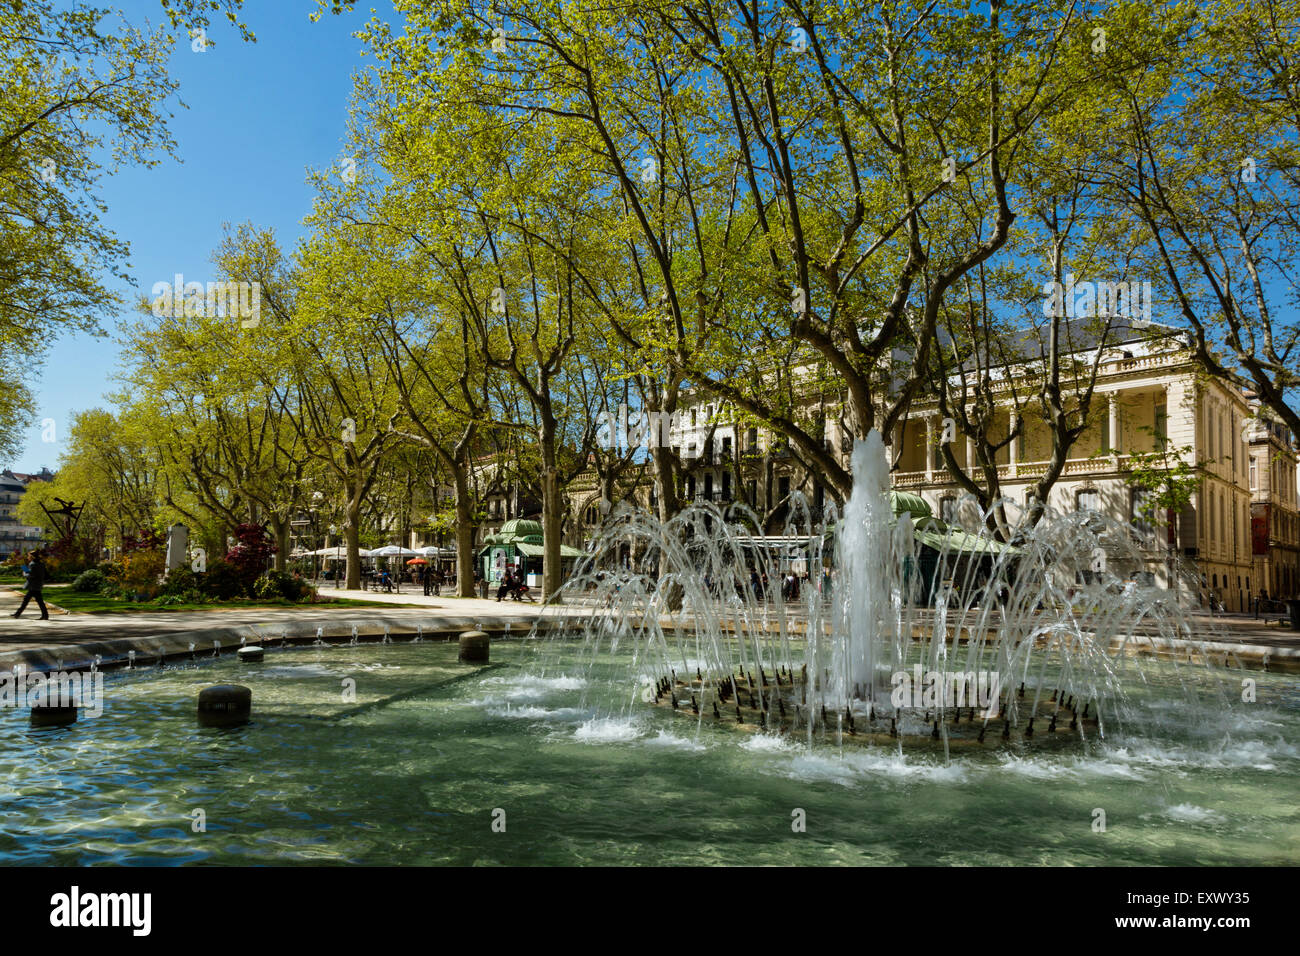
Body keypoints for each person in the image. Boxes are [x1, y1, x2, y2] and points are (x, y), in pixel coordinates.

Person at [12, 550, 49, 620]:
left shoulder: (32, 564)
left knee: (29, 601)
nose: (28, 557)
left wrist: (24, 573)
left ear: (32, 557)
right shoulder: (41, 564)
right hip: (38, 584)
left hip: (33, 585)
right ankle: (17, 613)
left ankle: (17, 614)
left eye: (28, 556)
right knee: (34, 601)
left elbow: (32, 575)